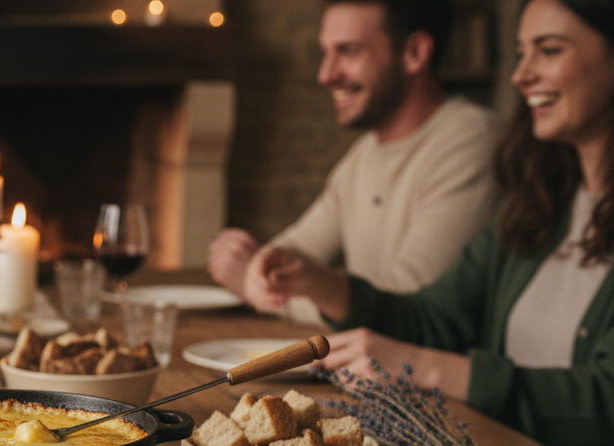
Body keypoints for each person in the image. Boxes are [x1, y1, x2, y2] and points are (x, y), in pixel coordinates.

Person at [250, 0, 614, 446]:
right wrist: (327, 287)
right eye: (521, 53)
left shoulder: (467, 141)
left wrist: (433, 367)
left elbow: (605, 399)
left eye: (547, 51)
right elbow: (434, 317)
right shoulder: (539, 204)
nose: (520, 75)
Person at [209, 0, 500, 324]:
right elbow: (293, 252)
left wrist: (258, 293)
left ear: (415, 53)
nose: (325, 75)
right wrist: (255, 268)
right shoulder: (365, 153)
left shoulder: (473, 142)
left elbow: (405, 303)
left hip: (423, 372)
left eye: (348, 51)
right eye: (326, 53)